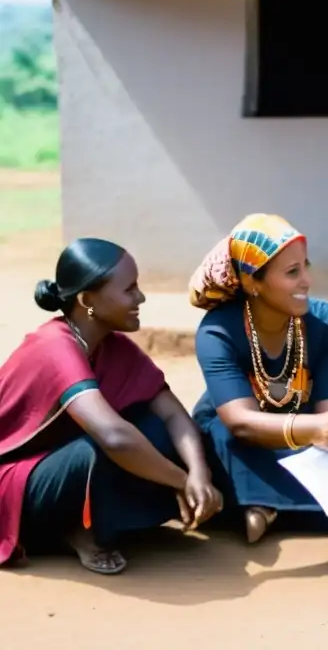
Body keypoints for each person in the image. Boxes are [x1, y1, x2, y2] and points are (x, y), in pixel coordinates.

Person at [0, 238, 221, 575]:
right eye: (129, 289)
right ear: (88, 300)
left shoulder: (113, 346)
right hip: (15, 480)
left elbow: (174, 414)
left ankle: (85, 522)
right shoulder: (54, 347)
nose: (141, 297)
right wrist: (180, 481)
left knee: (158, 432)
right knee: (106, 446)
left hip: (64, 464)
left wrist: (199, 474)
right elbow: (114, 438)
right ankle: (72, 528)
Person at [189, 214, 328, 544]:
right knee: (221, 439)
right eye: (292, 272)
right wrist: (316, 429)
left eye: (306, 266)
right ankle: (284, 505)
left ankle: (259, 504)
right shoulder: (218, 331)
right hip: (239, 436)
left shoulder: (326, 321)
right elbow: (240, 422)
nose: (307, 281)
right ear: (252, 283)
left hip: (304, 438)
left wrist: (324, 432)